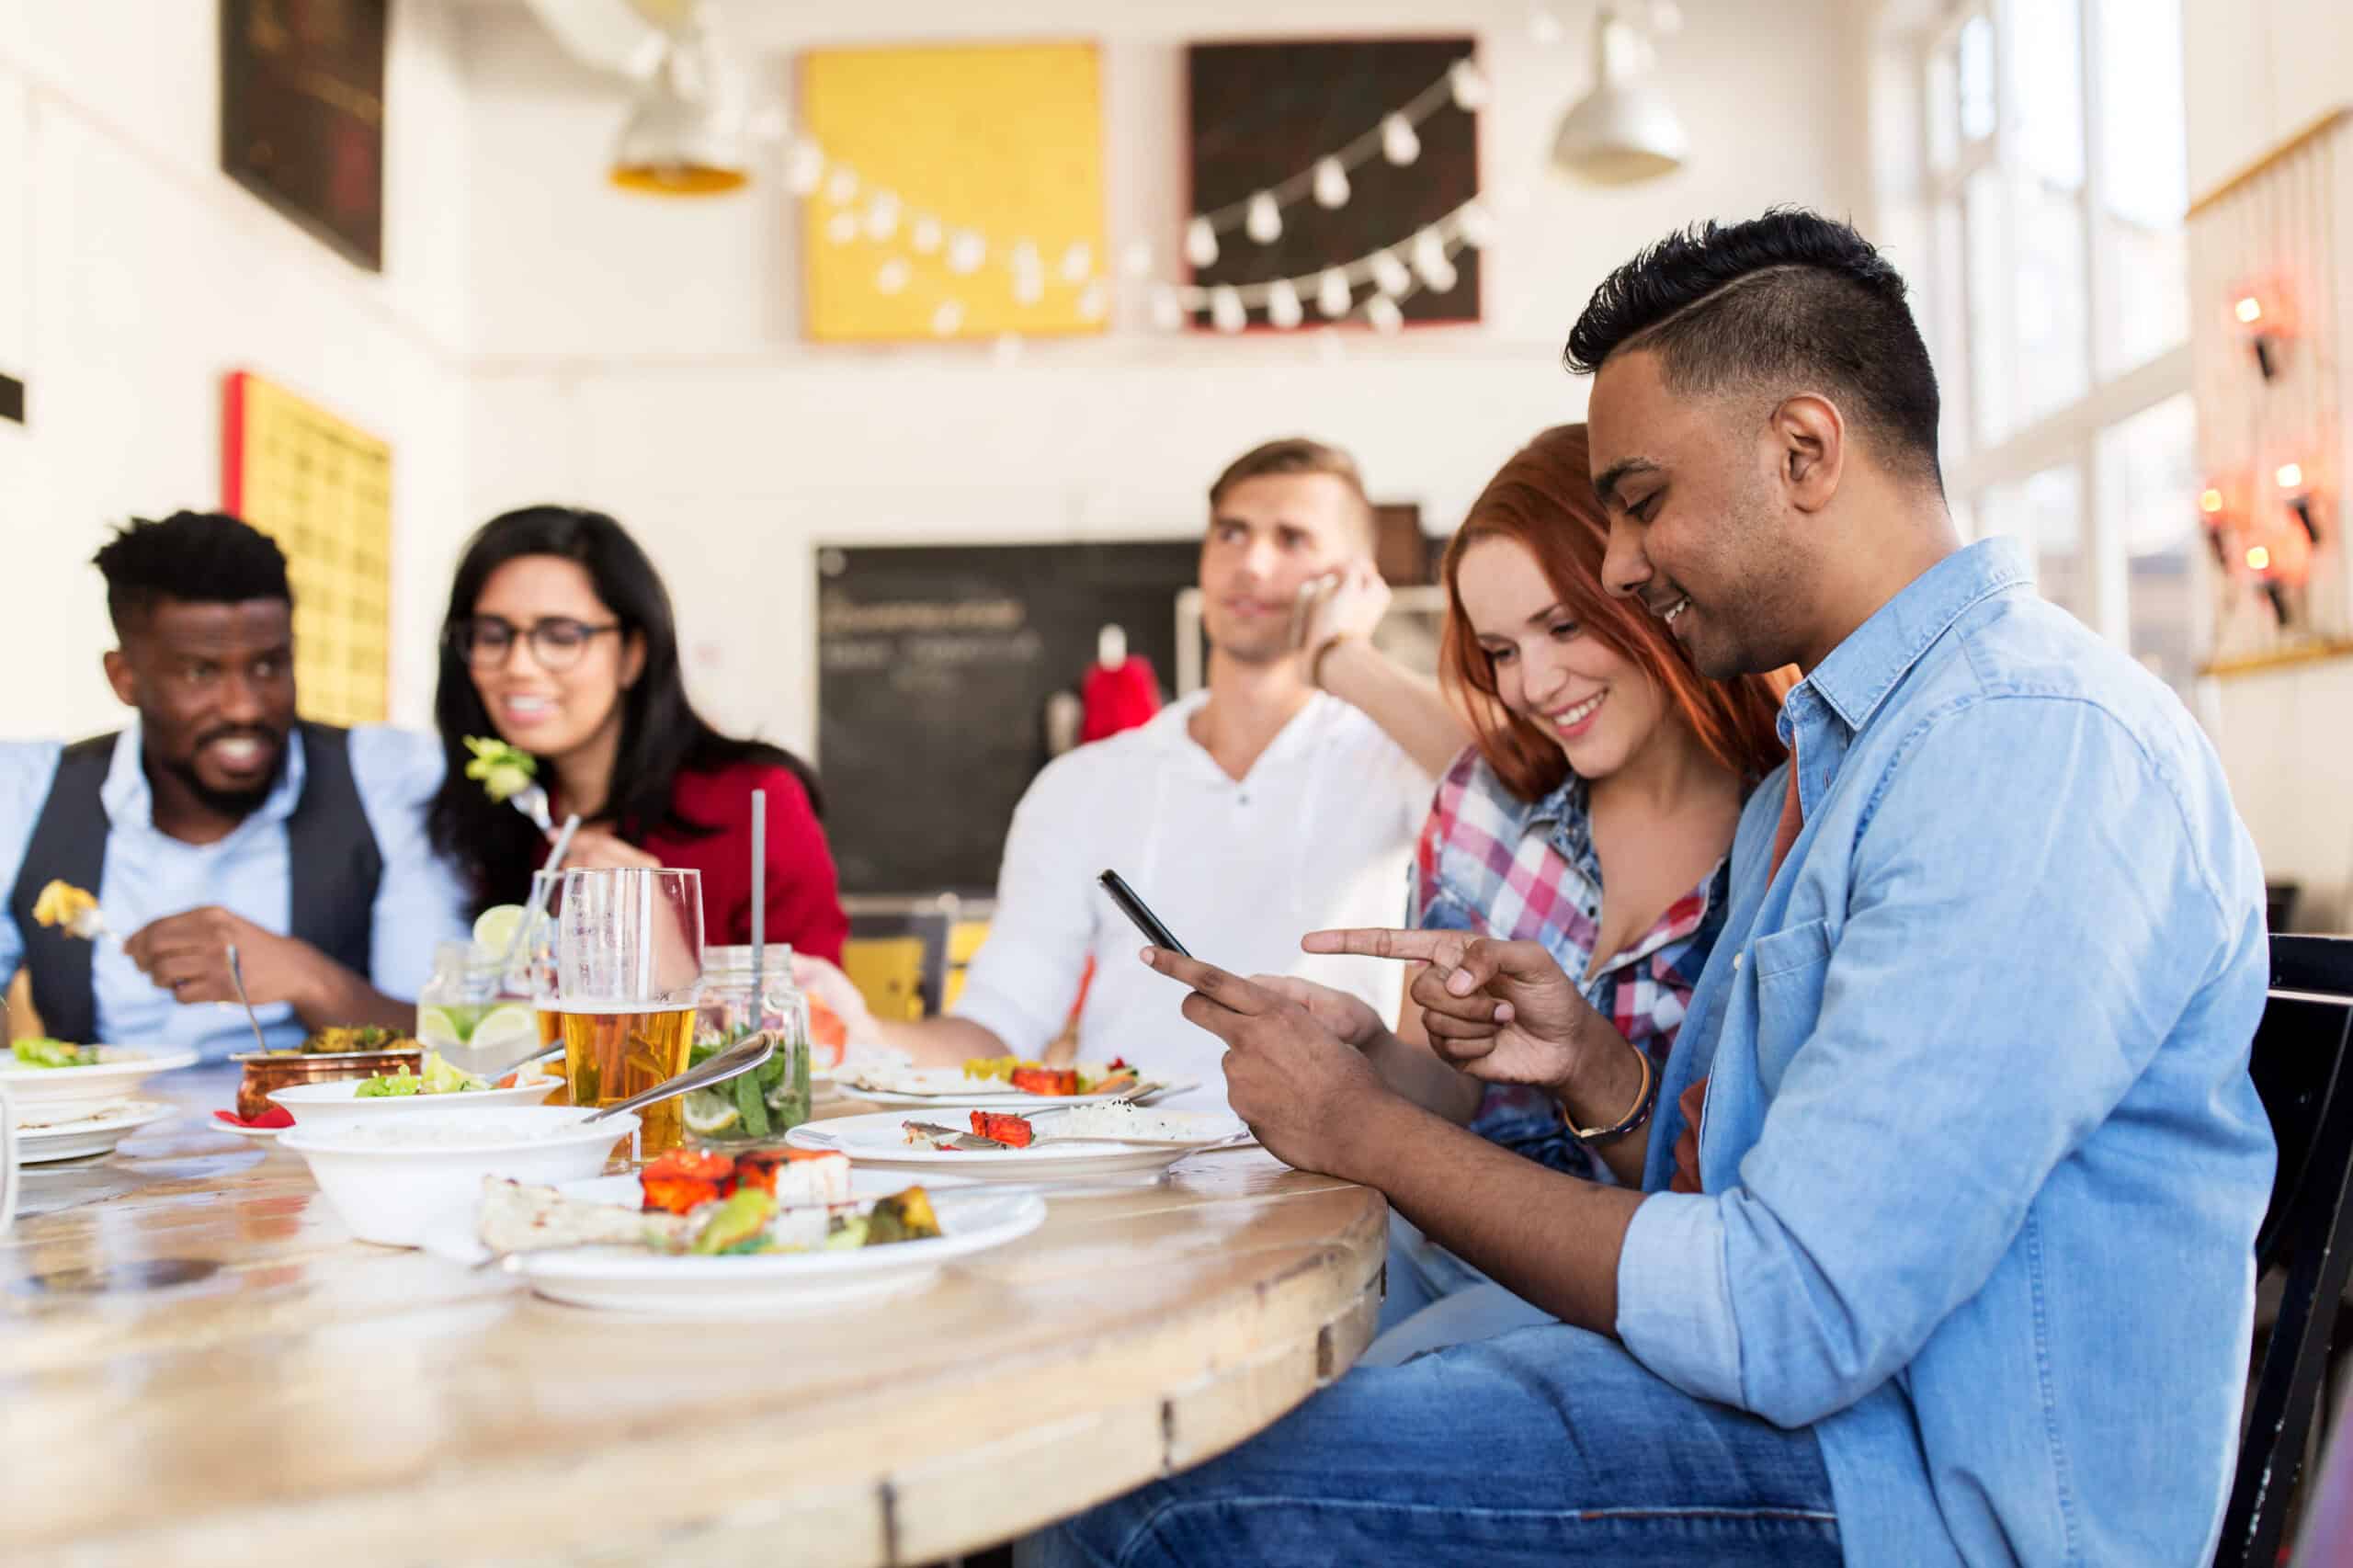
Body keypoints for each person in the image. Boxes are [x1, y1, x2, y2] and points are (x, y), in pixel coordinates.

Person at [1032, 210, 2272, 1566]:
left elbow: (1787, 1315)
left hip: (1924, 1503)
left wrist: (1367, 1129)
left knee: (1139, 1496)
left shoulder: (2025, 748)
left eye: (1639, 500)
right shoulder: (1853, 755)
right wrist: (1596, 1072)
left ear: (1805, 451)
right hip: (1817, 1428)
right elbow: (1745, 1218)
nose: (1619, 563)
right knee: (1153, 1437)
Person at [793, 438, 1466, 1106]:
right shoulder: (1084, 784)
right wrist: (864, 1033)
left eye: (1292, 539)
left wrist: (1343, 654)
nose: (1252, 563)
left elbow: (1510, 775)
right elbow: (1002, 1029)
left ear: (1357, 580)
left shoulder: (1398, 758)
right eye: (1231, 533)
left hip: (1332, 1176)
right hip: (1125, 1170)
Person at [1334, 422, 1787, 1342]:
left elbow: (1741, 1209)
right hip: (1436, 1249)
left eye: (1562, 625)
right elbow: (1443, 1089)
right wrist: (1363, 1057)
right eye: (1499, 649)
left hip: (1632, 1294)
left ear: (1648, 586)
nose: (1531, 683)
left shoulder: (1785, 834)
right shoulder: (1484, 800)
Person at [0, 512, 466, 1057]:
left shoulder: (384, 775)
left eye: (270, 666)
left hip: (321, 1138)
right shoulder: (26, 789)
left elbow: (454, 1047)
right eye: (200, 673)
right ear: (123, 677)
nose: (245, 706)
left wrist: (312, 980)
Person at [427, 505, 846, 961]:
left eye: (562, 636)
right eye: (492, 635)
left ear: (632, 654)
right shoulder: (486, 816)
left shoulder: (754, 801)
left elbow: (819, 1017)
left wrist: (668, 945)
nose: (518, 666)